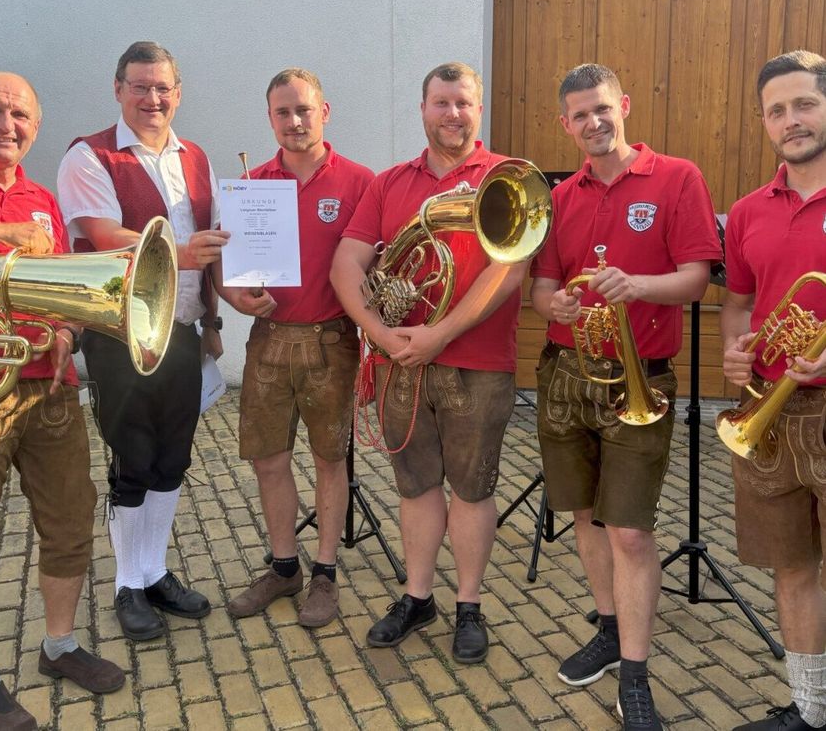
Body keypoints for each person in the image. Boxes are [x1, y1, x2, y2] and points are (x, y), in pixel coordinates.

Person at [529, 63, 721, 729]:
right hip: (565, 373)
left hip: (642, 376)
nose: (593, 123)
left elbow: (697, 279)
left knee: (633, 533)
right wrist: (548, 299)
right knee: (584, 517)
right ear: (566, 124)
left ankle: (635, 676)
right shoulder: (560, 196)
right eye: (580, 115)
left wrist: (636, 286)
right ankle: (609, 630)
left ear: (625, 105)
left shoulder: (677, 177)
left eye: (603, 109)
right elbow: (541, 287)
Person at [329, 61, 528, 664]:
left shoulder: (507, 178)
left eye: (463, 103)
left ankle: (468, 604)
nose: (453, 114)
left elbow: (511, 268)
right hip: (400, 362)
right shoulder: (389, 184)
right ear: (422, 109)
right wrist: (379, 336)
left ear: (479, 108)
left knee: (472, 489)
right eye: (441, 103)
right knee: (415, 488)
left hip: (476, 361)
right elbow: (346, 265)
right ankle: (418, 598)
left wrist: (441, 331)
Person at [57, 42, 231, 642]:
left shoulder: (197, 157)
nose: (152, 99)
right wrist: (180, 255)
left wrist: (216, 315)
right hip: (121, 334)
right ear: (118, 89)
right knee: (132, 460)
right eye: (140, 87)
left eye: (163, 88)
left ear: (178, 92)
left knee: (172, 459)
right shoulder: (89, 155)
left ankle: (153, 570)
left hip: (181, 331)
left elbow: (210, 247)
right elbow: (100, 235)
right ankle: (126, 585)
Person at [0, 72, 124, 731]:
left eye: (20, 113)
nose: (7, 123)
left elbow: (66, 287)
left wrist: (67, 328)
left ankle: (58, 645)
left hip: (49, 391)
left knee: (69, 523)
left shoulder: (41, 198)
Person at [224, 68, 373, 628]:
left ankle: (326, 574)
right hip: (268, 340)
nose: (294, 121)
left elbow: (374, 264)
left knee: (331, 461)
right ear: (269, 118)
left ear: (324, 111)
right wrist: (237, 297)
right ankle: (284, 566)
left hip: (331, 341)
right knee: (268, 460)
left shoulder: (361, 182)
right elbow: (227, 272)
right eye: (282, 112)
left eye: (303, 110)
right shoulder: (251, 184)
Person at [723, 50, 826, 731]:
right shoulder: (747, 210)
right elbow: (739, 301)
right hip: (771, 409)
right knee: (791, 567)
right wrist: (734, 353)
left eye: (804, 104)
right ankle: (811, 710)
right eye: (777, 110)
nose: (791, 120)